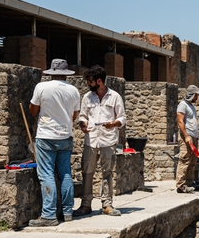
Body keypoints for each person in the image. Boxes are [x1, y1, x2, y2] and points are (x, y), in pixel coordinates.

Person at [29, 59, 81, 226]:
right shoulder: (74, 91)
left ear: (51, 72)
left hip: (46, 135)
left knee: (46, 174)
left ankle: (49, 215)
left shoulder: (42, 87)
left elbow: (33, 111)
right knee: (65, 173)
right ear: (66, 74)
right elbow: (74, 115)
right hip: (66, 135)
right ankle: (67, 212)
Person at [74, 65, 126, 218]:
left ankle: (107, 204)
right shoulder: (87, 97)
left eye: (90, 81)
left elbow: (122, 117)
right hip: (91, 140)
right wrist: (82, 124)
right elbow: (83, 115)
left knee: (107, 172)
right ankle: (85, 205)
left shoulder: (115, 96)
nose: (88, 84)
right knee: (87, 172)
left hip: (108, 140)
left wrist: (113, 124)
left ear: (99, 81)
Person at [176, 84, 199, 193]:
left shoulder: (191, 106)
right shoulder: (182, 105)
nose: (197, 97)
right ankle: (180, 185)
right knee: (185, 159)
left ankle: (189, 183)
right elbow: (180, 121)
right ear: (191, 95)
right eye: (196, 95)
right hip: (187, 137)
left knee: (192, 161)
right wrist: (186, 136)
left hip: (193, 136)